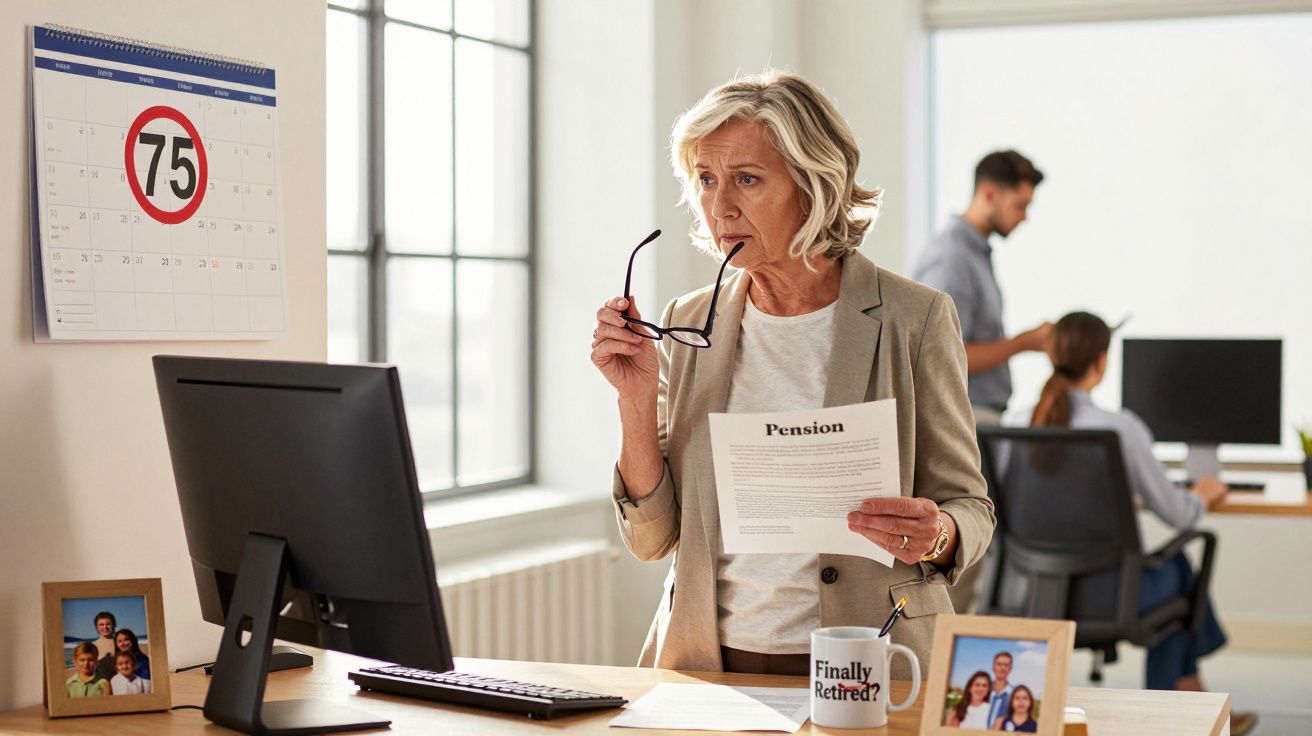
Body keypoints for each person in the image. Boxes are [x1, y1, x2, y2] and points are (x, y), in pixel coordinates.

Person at [591, 70, 993, 678]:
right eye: (705, 180)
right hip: (710, 664)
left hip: (877, 662)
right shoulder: (686, 321)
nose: (718, 206)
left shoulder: (916, 317)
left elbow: (971, 507)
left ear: (814, 186)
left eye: (746, 179)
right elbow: (653, 540)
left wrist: (939, 534)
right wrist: (635, 399)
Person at [1015, 311, 1255, 736]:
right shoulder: (1120, 428)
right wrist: (1204, 493)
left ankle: (1195, 700)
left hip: (1032, 592)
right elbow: (1179, 514)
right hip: (1109, 595)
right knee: (1180, 574)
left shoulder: (1017, 423)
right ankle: (1172, 718)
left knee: (1175, 573)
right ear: (1102, 363)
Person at [910, 150, 1051, 615]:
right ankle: (935, 670)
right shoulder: (953, 259)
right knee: (961, 563)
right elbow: (947, 357)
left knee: (975, 557)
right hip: (961, 426)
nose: (1025, 218)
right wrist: (1026, 342)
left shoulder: (974, 254)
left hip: (980, 424)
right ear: (989, 193)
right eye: (1020, 205)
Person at [985, 651, 1015, 727]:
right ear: (993, 667)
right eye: (999, 664)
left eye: (1006, 665)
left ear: (1010, 669)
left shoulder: (1014, 695)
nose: (1002, 668)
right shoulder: (983, 691)